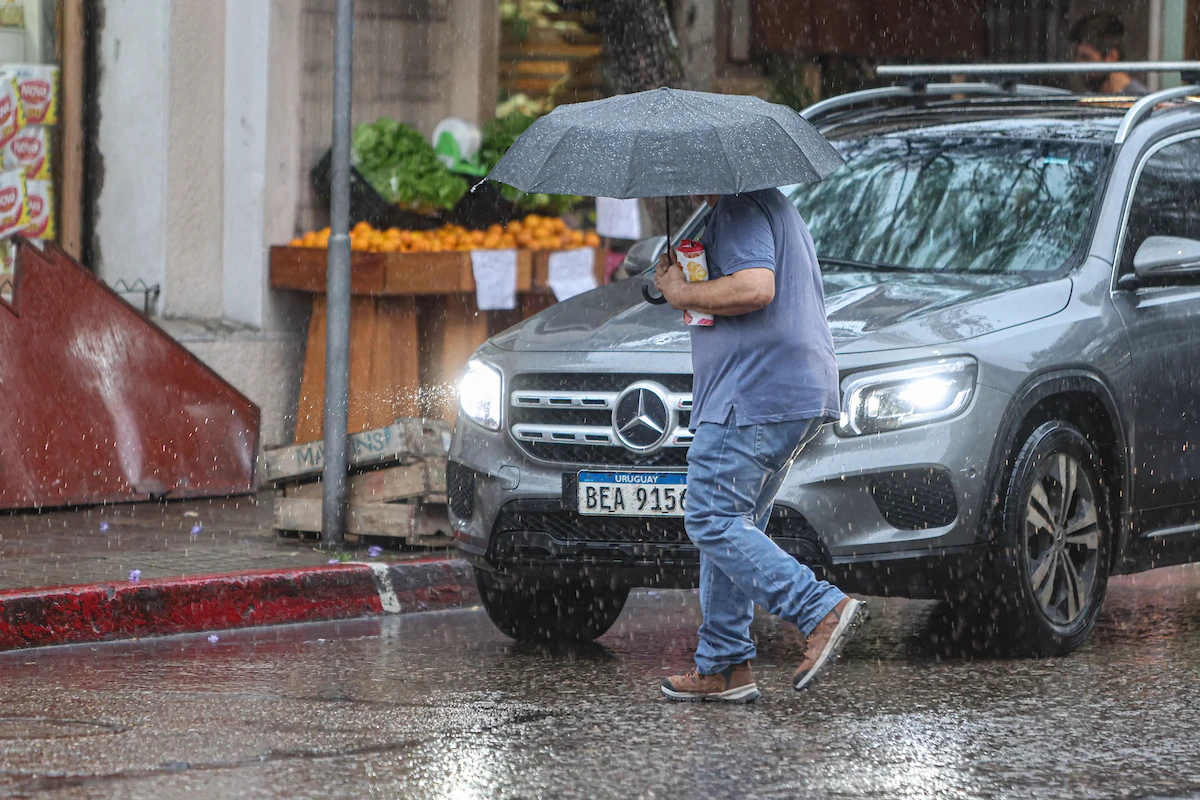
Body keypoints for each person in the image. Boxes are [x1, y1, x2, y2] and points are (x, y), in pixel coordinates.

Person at [653, 190, 867, 704]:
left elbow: (755, 287)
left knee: (710, 518)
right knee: (731, 525)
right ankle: (725, 664)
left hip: (749, 394)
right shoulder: (763, 205)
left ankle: (820, 608)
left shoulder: (740, 208)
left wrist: (681, 294)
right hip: (786, 389)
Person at [1070, 11, 1149, 95]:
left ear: (1112, 57)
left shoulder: (1141, 102)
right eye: (1076, 56)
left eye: (1086, 58)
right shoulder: (1087, 98)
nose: (1078, 65)